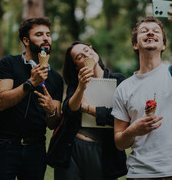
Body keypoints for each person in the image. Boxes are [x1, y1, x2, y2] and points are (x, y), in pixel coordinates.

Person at [112, 0, 172, 180]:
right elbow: (119, 142)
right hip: (141, 173)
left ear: (163, 45)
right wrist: (133, 130)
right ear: (135, 44)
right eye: (144, 31)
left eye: (156, 32)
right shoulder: (124, 88)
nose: (150, 33)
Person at [0, 17, 64, 180]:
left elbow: (54, 124)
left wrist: (51, 111)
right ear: (26, 40)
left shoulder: (56, 78)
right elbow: (1, 103)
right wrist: (30, 83)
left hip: (35, 149)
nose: (46, 38)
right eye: (39, 34)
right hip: (5, 145)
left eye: (48, 34)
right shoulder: (9, 64)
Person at [53, 41, 127, 180]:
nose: (87, 54)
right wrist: (81, 87)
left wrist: (88, 108)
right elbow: (69, 110)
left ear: (94, 50)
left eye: (87, 49)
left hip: (105, 152)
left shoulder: (118, 80)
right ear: (76, 66)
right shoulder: (76, 83)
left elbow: (119, 118)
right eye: (80, 56)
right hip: (73, 148)